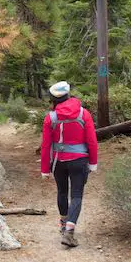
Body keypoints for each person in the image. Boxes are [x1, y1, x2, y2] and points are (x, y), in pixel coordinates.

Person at [40, 81, 98, 248]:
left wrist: (45, 169)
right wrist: (93, 162)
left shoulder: (50, 117)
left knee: (62, 192)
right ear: (68, 94)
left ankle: (64, 225)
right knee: (77, 195)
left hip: (58, 161)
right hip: (79, 160)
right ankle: (70, 232)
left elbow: (45, 145)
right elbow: (92, 141)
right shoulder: (83, 114)